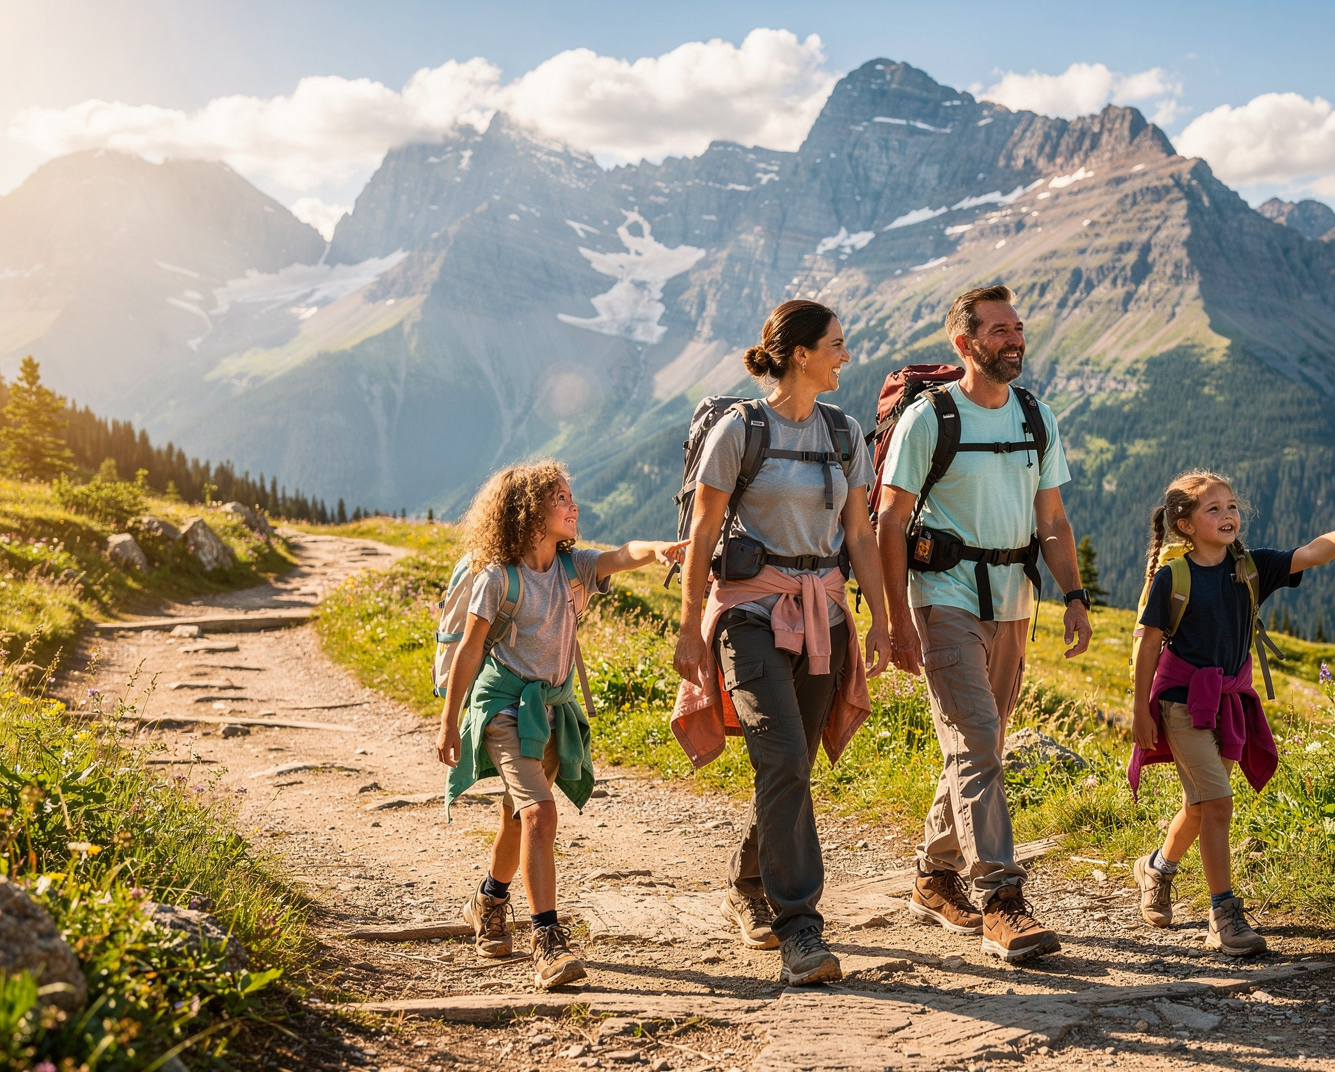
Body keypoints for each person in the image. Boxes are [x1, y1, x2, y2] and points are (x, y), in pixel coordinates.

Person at [672, 299, 892, 986]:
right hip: (749, 614)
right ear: (799, 353)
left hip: (822, 612)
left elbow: (859, 533)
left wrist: (882, 619)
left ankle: (748, 878)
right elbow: (703, 534)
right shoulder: (739, 430)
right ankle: (800, 926)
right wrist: (687, 625)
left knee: (790, 766)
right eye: (835, 344)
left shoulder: (844, 432)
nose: (845, 355)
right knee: (785, 755)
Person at [875, 284, 1091, 963]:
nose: (1014, 338)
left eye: (1018, 326)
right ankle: (1002, 899)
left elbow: (1051, 518)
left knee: (983, 746)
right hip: (942, 599)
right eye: (999, 329)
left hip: (1015, 602)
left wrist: (1076, 595)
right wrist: (893, 620)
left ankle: (933, 876)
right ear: (965, 345)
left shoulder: (1036, 416)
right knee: (975, 744)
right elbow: (888, 521)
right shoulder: (929, 419)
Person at [1128, 469, 1335, 956]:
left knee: (1201, 805)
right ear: (1185, 525)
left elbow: (1314, 552)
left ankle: (1156, 869)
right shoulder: (1175, 576)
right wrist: (1139, 712)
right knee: (1216, 804)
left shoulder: (1250, 567)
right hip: (1182, 703)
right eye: (1213, 509)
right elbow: (1148, 646)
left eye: (1231, 505)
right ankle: (1223, 914)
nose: (1228, 514)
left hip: (1229, 701)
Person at [435, 461, 684, 987]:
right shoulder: (496, 579)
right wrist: (448, 722)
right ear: (529, 513)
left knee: (518, 816)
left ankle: (488, 901)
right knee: (540, 815)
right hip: (504, 708)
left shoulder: (575, 568)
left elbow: (624, 553)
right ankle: (547, 938)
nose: (574, 506)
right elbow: (470, 650)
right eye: (561, 499)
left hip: (551, 711)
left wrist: (657, 549)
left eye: (571, 497)